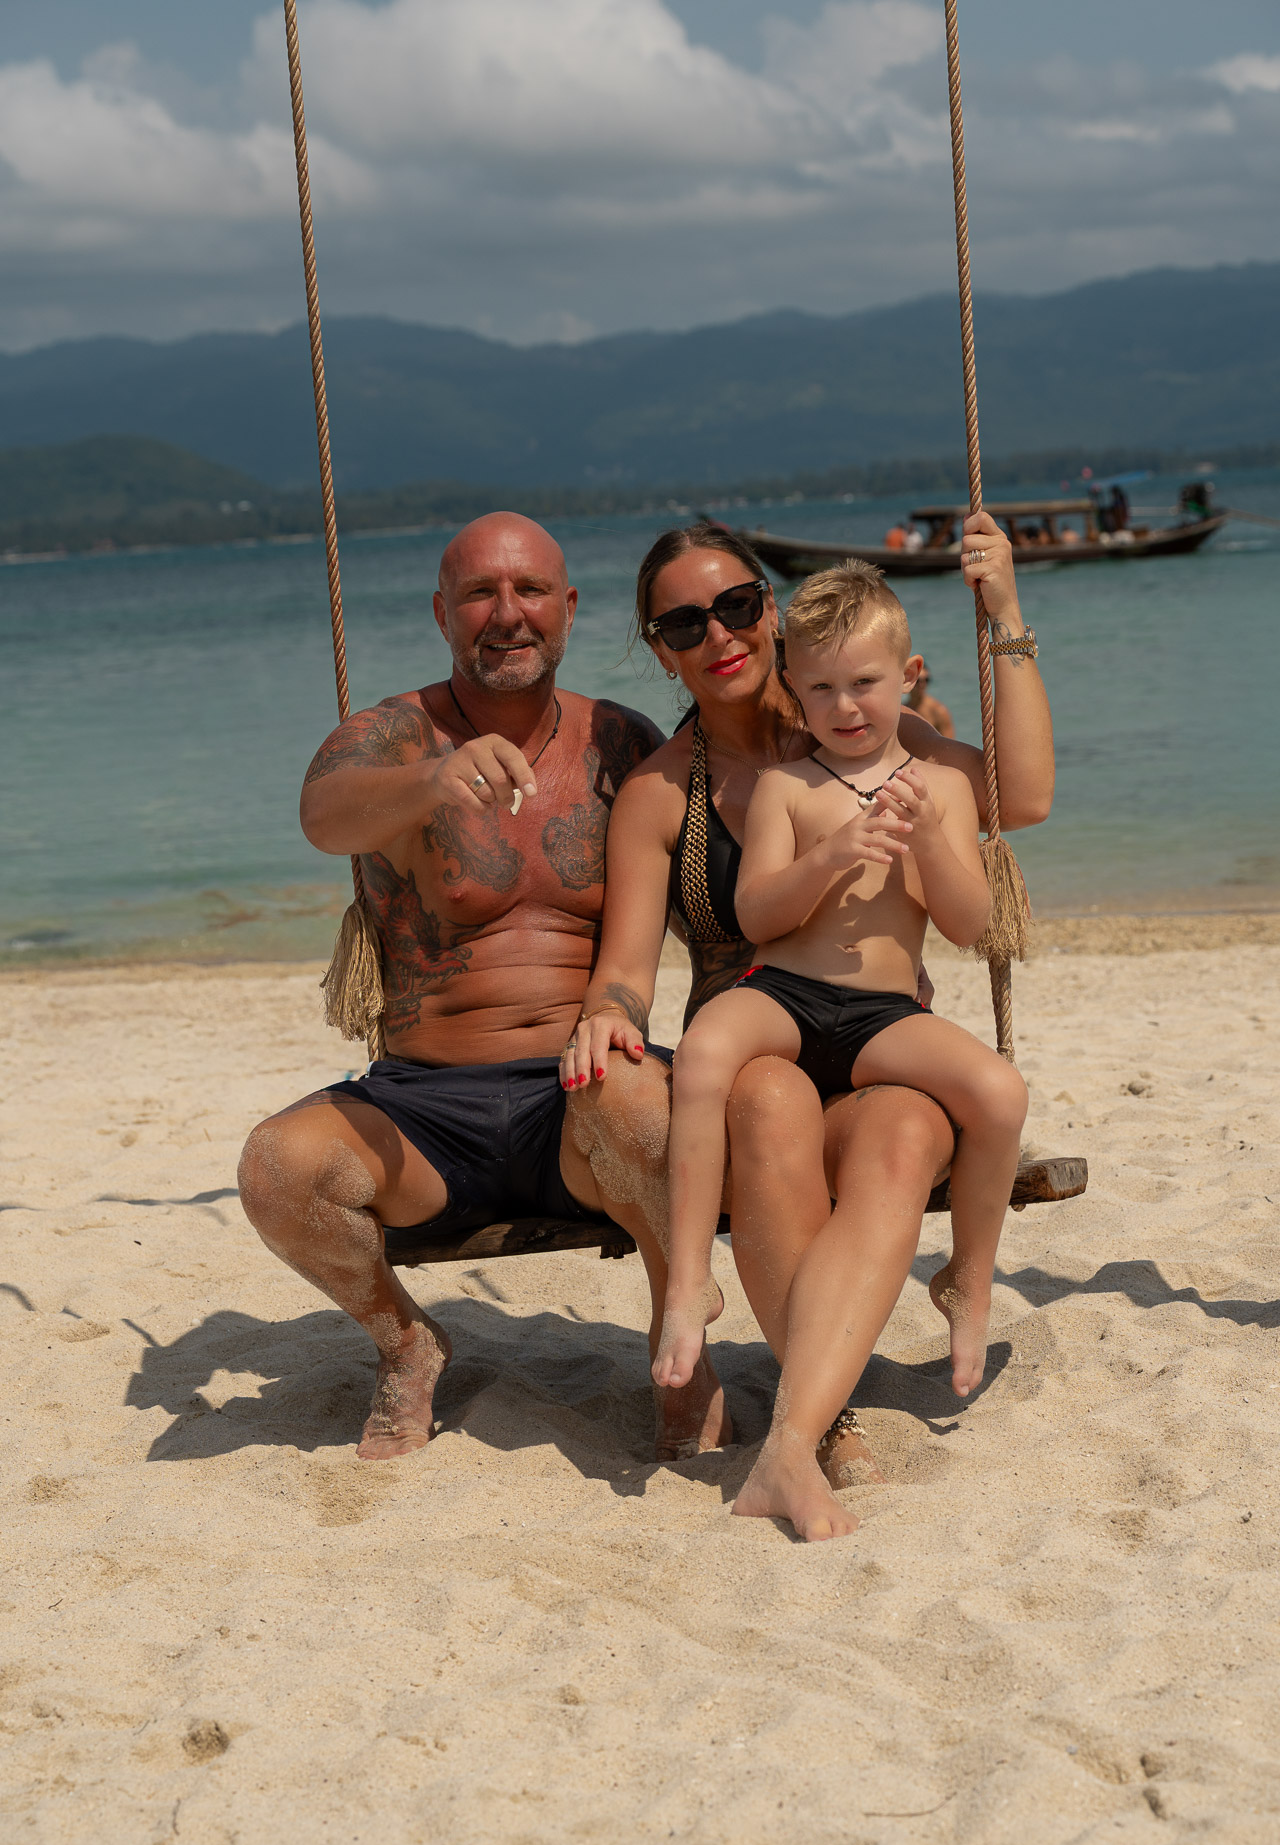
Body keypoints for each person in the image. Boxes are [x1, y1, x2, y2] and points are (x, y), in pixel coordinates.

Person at [562, 513, 1054, 1537]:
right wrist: (602, 1018)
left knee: (911, 1129)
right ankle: (822, 1426)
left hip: (876, 1036)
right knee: (773, 1101)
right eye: (685, 623)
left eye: (736, 606)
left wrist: (1002, 613)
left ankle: (795, 1433)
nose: (719, 634)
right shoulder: (663, 793)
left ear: (770, 610)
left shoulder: (863, 719)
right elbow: (625, 973)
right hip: (762, 1045)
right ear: (660, 647)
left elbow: (1020, 797)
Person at [237, 511, 729, 1462]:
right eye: (480, 594)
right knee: (275, 1169)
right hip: (426, 1107)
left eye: (531, 591)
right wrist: (431, 780)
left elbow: (726, 869)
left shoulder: (622, 744)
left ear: (570, 608)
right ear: (441, 612)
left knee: (647, 1097)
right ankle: (407, 1344)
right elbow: (321, 814)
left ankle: (687, 1358)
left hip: (582, 1104)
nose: (508, 615)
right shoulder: (391, 734)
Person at [652, 561, 1027, 1418]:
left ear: (909, 677)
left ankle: (968, 1281)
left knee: (1001, 1094)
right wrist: (833, 854)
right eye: (819, 688)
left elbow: (970, 925)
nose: (845, 706)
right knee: (704, 1055)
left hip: (884, 1015)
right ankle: (688, 1284)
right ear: (792, 685)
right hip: (786, 990)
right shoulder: (789, 787)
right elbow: (756, 914)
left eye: (864, 684)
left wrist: (931, 840)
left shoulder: (943, 786)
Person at [904, 658, 954, 737]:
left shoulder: (939, 711)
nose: (922, 685)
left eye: (926, 680)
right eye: (918, 680)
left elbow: (950, 746)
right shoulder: (902, 711)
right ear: (908, 680)